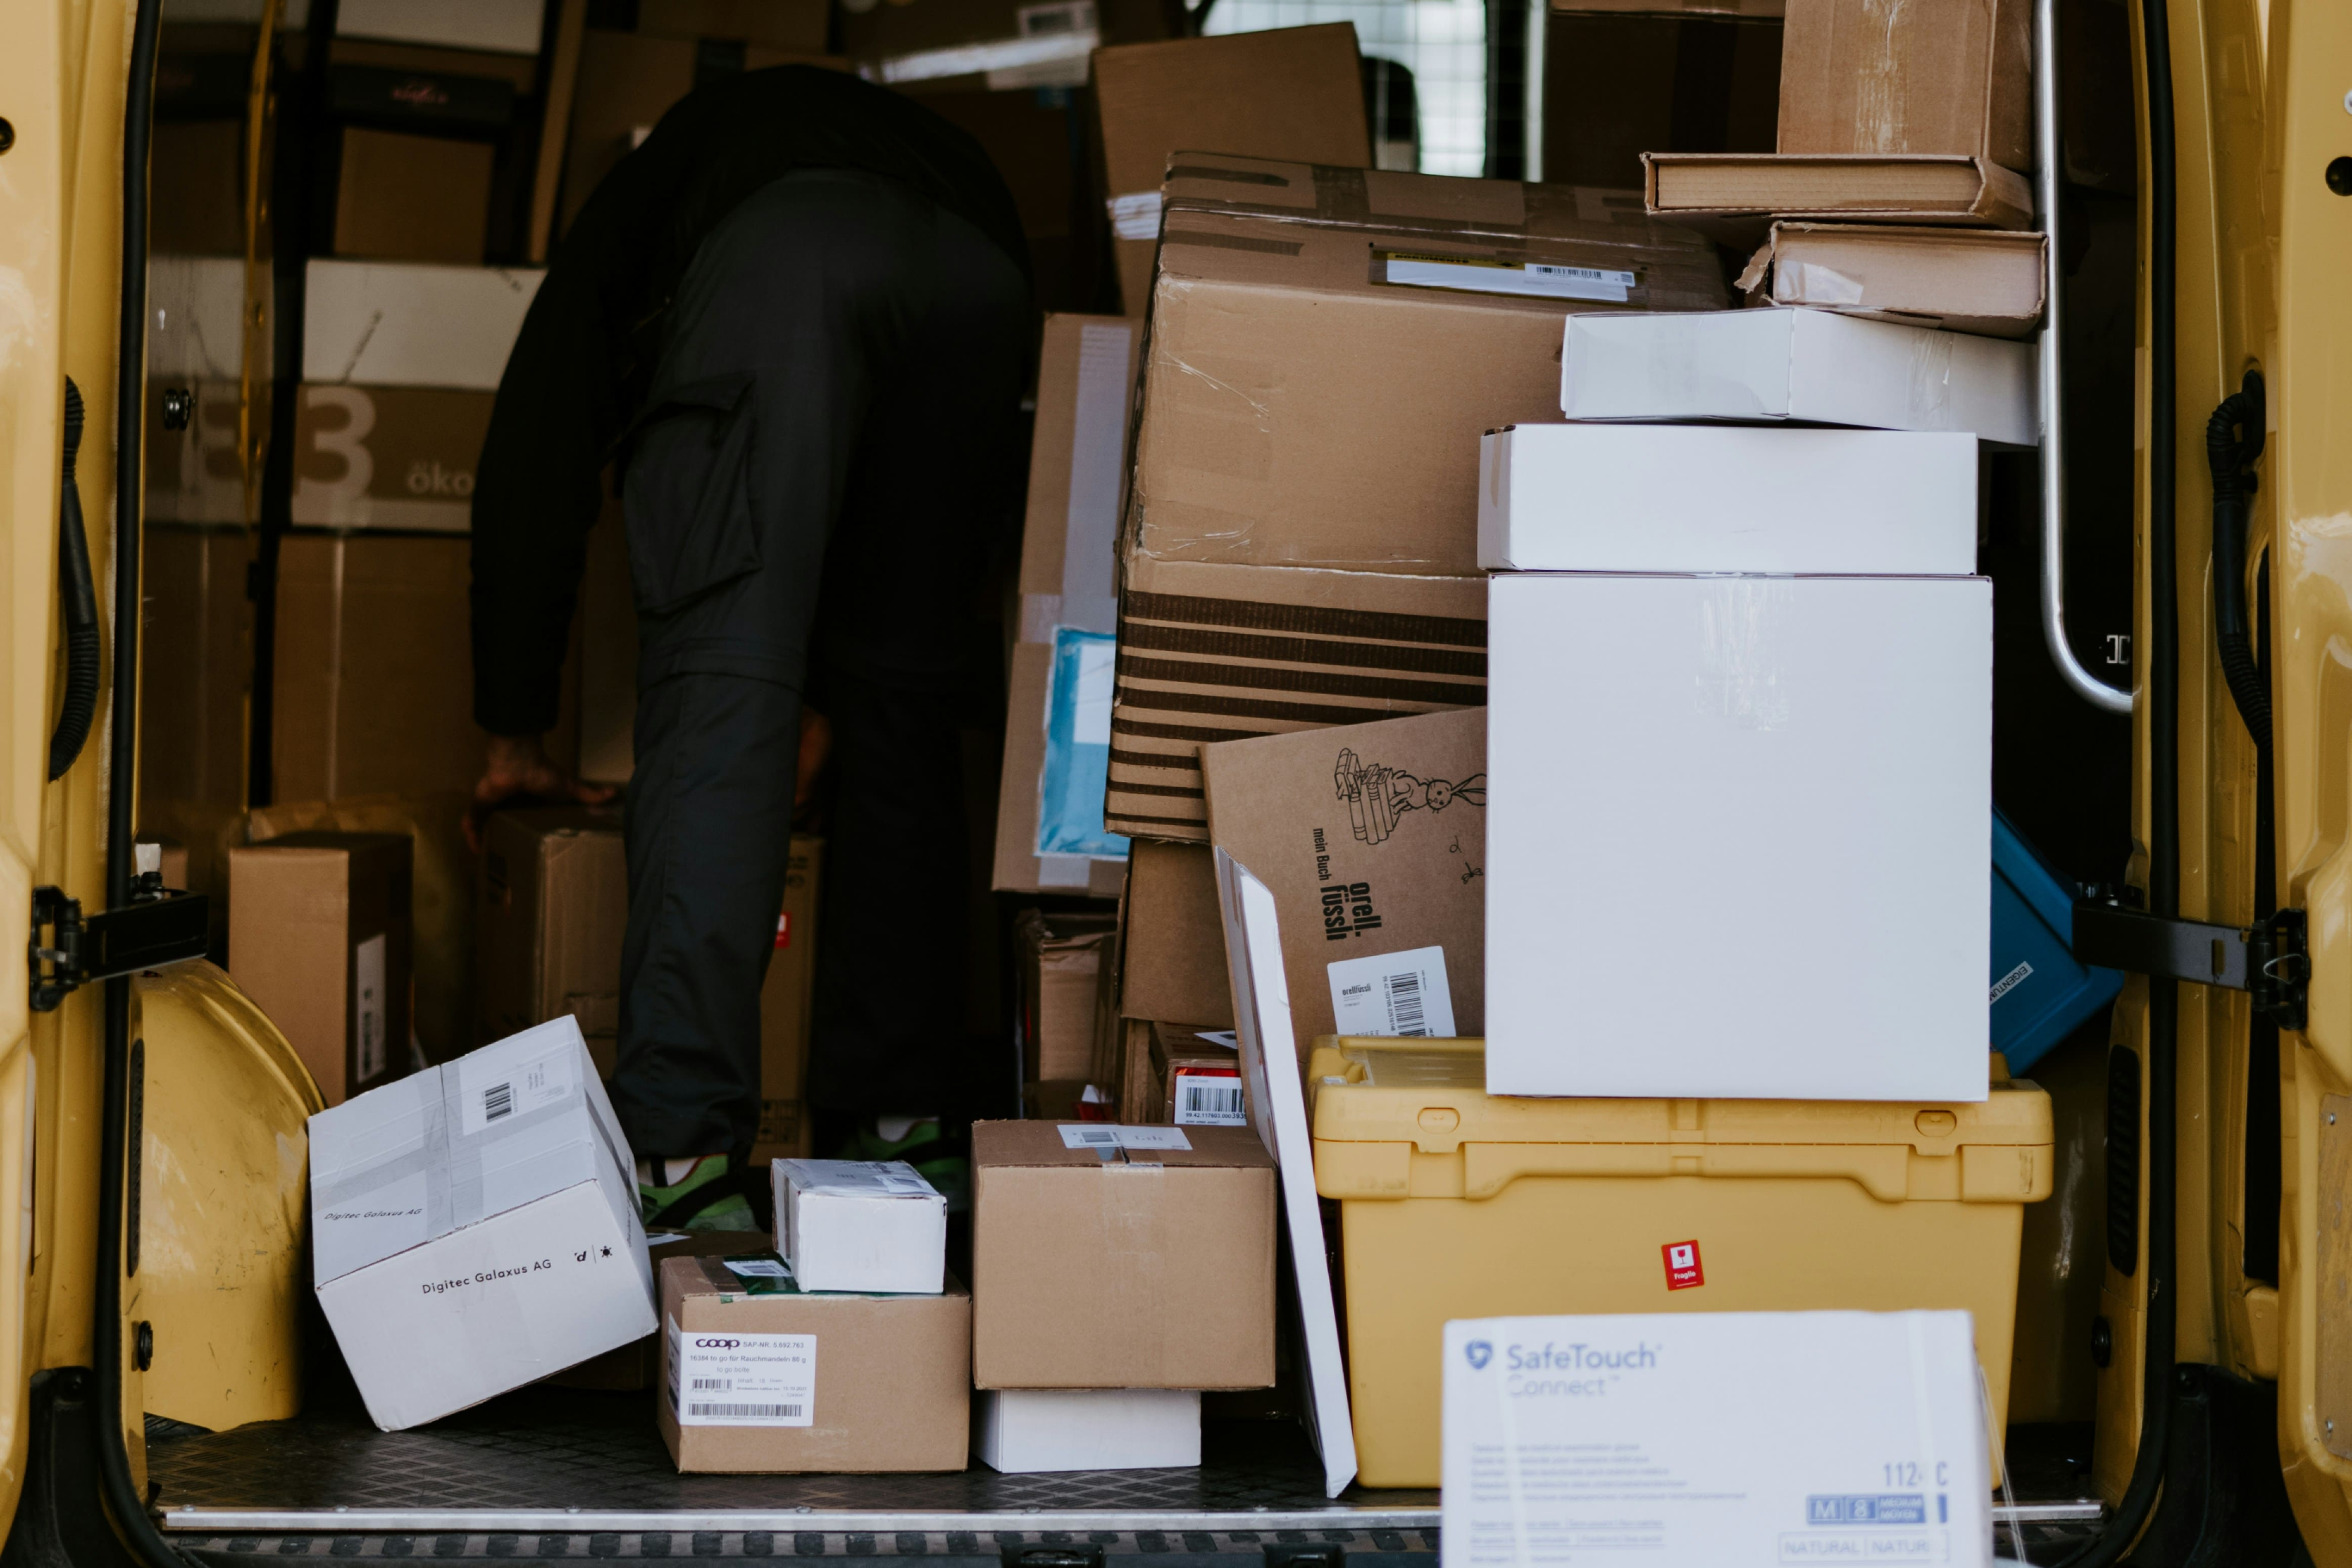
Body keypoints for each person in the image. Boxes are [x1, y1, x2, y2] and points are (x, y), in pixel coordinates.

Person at [467, 65, 1035, 1230]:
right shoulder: (862, 142)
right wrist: (828, 689)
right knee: (905, 704)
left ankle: (681, 1161)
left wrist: (512, 724)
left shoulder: (646, 208)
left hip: (790, 258)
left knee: (724, 689)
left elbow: (537, 456)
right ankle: (903, 1125)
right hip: (985, 277)